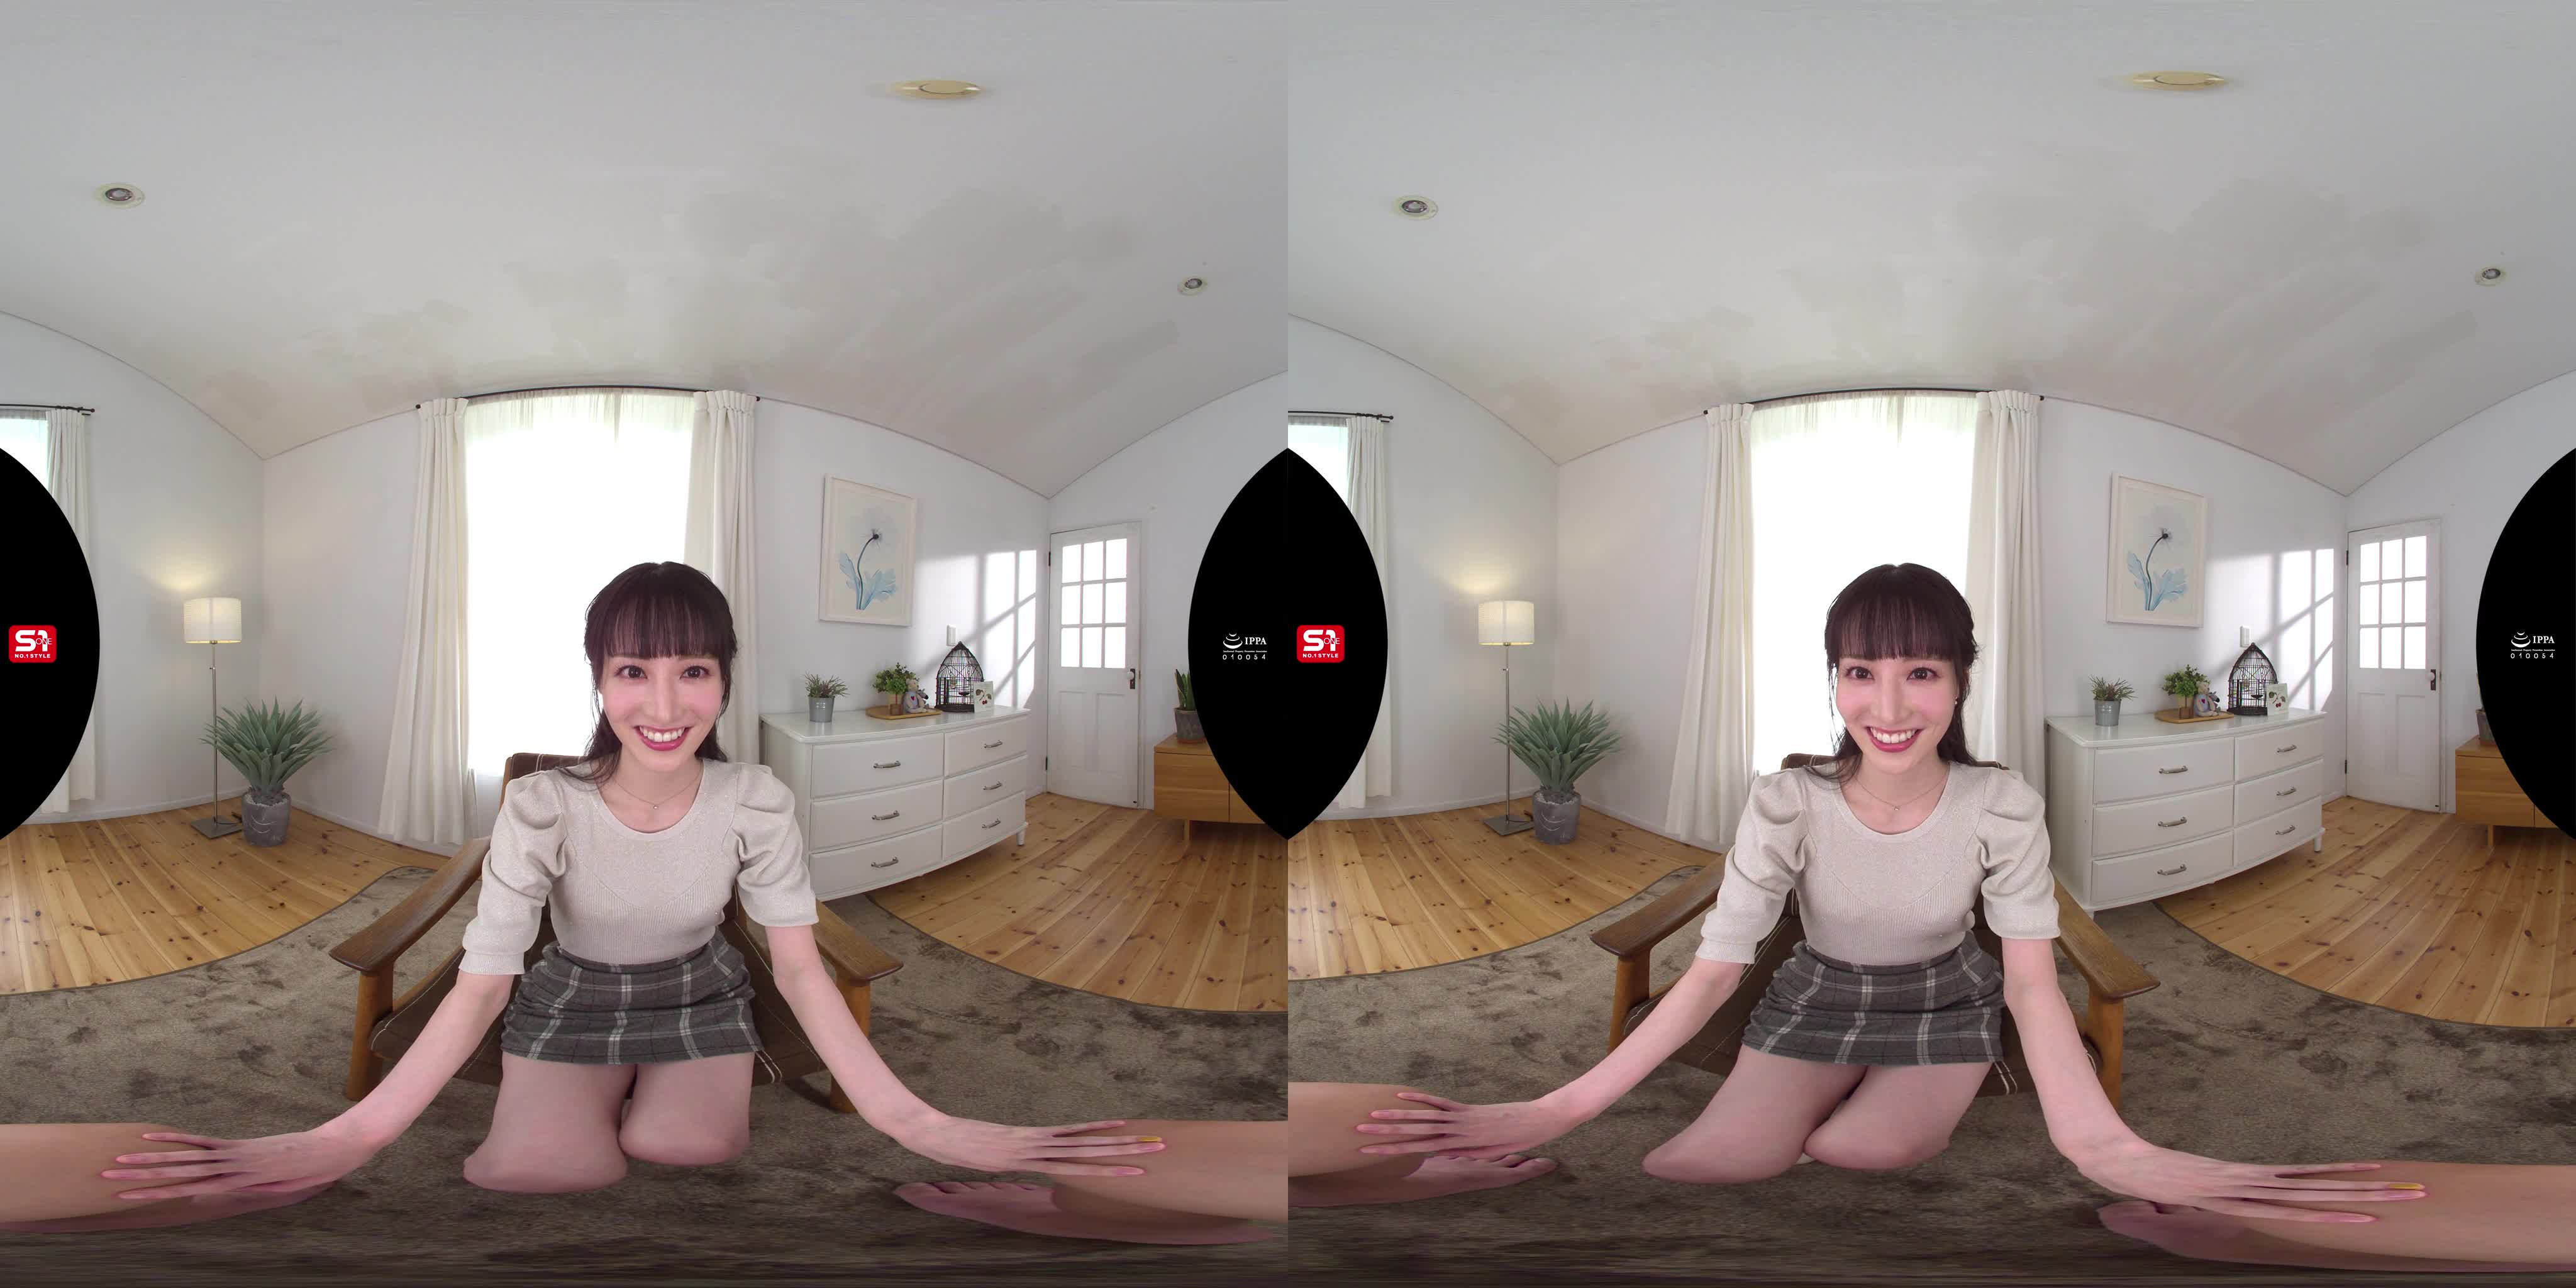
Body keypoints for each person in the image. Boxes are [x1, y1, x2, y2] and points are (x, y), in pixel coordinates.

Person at [1348, 564, 2424, 1224]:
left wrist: (2103, 1144)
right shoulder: (1786, 799)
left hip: (1948, 995)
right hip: (1819, 988)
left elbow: (2033, 985)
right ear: (1835, 681)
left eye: (1921, 673)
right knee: (1693, 1163)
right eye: (1860, 672)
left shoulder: (2003, 803)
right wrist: (1560, 1107)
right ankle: (1825, 1079)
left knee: (1860, 1150)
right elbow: (1714, 971)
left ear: (1959, 683)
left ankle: (1876, 1097)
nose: (1889, 705)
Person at [92, 562, 1162, 1203]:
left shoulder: (756, 800)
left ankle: (643, 1094)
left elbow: (798, 967)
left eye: (693, 670)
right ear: (601, 682)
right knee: (537, 1174)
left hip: (699, 986)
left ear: (723, 682)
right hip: (574, 989)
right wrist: (354, 1136)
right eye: (633, 671)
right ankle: (587, 1093)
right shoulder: (541, 805)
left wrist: (916, 1122)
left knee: (686, 1147)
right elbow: (484, 979)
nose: (663, 703)